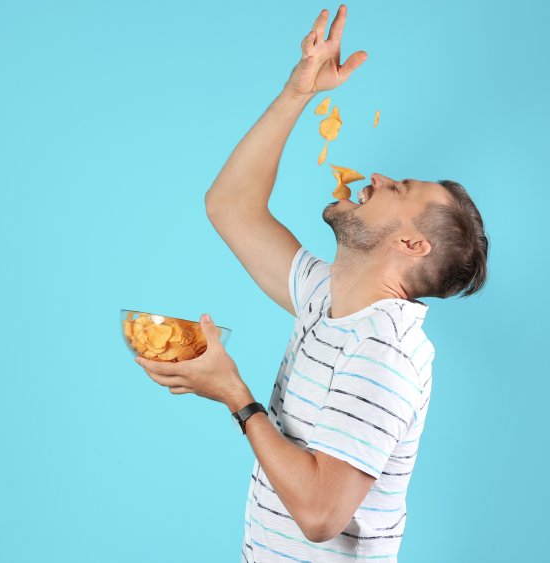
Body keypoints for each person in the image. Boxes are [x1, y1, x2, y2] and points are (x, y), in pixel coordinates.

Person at [134, 4, 489, 561]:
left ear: (411, 245)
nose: (376, 178)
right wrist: (297, 92)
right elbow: (229, 206)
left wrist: (235, 394)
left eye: (398, 188)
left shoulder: (384, 353)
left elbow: (322, 515)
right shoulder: (328, 299)